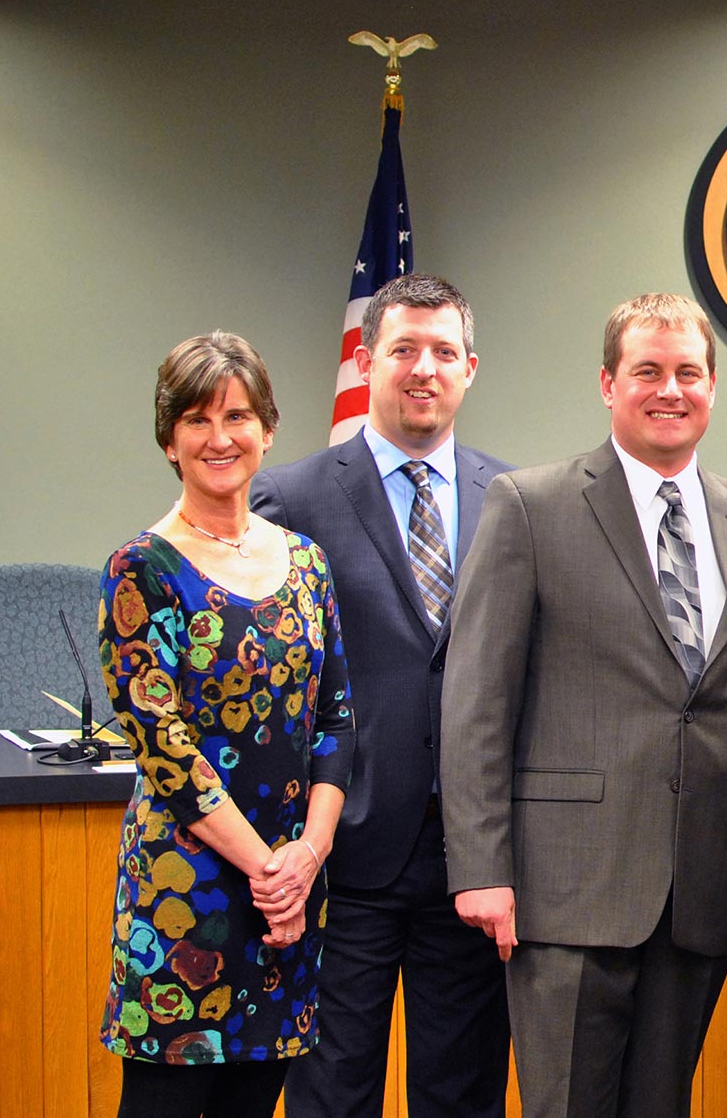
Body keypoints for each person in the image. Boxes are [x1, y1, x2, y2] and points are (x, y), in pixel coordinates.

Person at [438, 293, 727, 1118]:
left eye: (689, 372)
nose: (670, 389)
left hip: (698, 892)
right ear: (609, 383)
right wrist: (480, 868)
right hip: (564, 890)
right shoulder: (529, 506)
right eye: (647, 370)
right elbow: (477, 705)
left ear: (714, 388)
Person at [250, 274, 514, 1118]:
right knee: (332, 1097)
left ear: (470, 368)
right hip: (341, 858)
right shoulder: (289, 501)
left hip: (469, 865)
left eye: (443, 352)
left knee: (461, 1095)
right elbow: (271, 692)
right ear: (368, 361)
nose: (423, 369)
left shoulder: (512, 499)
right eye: (403, 349)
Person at [98, 332, 354, 1118]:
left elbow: (337, 723)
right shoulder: (140, 568)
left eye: (238, 416)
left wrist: (305, 860)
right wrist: (268, 874)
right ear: (169, 440)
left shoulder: (306, 563)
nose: (220, 438)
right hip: (187, 903)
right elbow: (166, 752)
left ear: (268, 428)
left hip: (286, 907)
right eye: (197, 420)